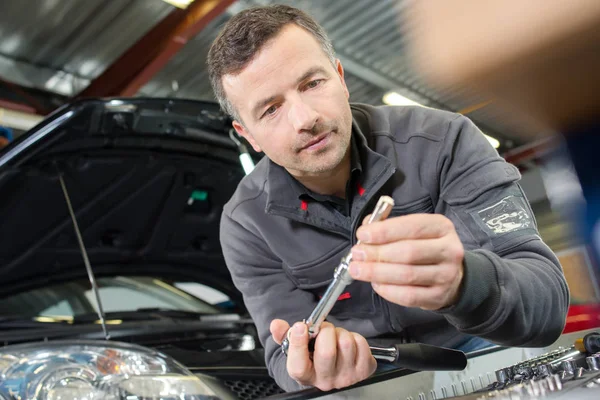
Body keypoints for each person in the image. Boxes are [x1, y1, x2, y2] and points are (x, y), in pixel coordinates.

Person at [207, 4, 569, 392]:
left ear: (341, 77)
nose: (304, 119)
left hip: (484, 353)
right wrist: (313, 363)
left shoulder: (445, 141)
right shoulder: (245, 223)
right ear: (248, 136)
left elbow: (547, 303)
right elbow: (284, 354)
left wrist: (466, 283)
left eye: (312, 83)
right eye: (271, 109)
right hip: (367, 380)